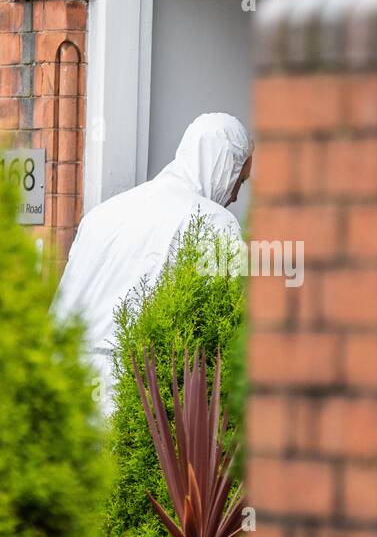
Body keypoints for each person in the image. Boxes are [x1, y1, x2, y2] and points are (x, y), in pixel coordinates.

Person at [53, 112, 253, 411]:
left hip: (65, 381)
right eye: (240, 179)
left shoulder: (102, 214)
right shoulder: (213, 222)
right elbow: (229, 322)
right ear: (224, 167)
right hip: (134, 394)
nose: (236, 194)